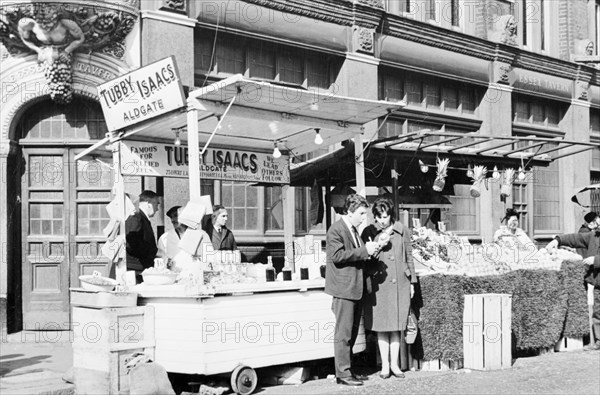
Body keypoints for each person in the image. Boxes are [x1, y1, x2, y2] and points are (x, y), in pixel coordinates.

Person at [325, 194, 380, 387]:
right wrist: (365, 251)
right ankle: (343, 373)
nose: (364, 217)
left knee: (352, 333)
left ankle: (347, 370)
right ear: (349, 211)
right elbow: (337, 256)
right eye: (361, 213)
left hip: (354, 288)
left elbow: (353, 256)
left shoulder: (353, 230)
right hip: (344, 289)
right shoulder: (336, 230)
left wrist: (371, 251)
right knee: (344, 333)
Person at [361, 197, 417, 379]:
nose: (383, 220)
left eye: (385, 216)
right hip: (379, 285)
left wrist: (413, 282)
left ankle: (395, 365)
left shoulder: (402, 230)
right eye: (379, 216)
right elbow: (365, 259)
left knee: (397, 326)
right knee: (382, 326)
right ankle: (384, 365)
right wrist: (378, 246)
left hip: (401, 281)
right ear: (375, 216)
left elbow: (409, 255)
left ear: (391, 215)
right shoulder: (369, 232)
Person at [546, 231, 600, 351]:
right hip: (598, 283)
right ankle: (599, 341)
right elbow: (576, 238)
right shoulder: (594, 235)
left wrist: (596, 260)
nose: (597, 223)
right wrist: (557, 240)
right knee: (598, 312)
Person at [17, 13, 85, 63]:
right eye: (42, 24)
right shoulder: (28, 24)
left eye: (48, 23)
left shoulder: (66, 23)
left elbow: (80, 38)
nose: (45, 27)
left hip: (64, 52)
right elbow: (25, 39)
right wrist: (38, 50)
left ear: (55, 20)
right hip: (45, 53)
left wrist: (67, 51)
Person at [125, 190, 160, 283]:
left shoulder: (141, 217)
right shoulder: (136, 216)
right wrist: (150, 252)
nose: (157, 209)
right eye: (157, 204)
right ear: (148, 204)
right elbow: (130, 243)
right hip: (135, 269)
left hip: (138, 268)